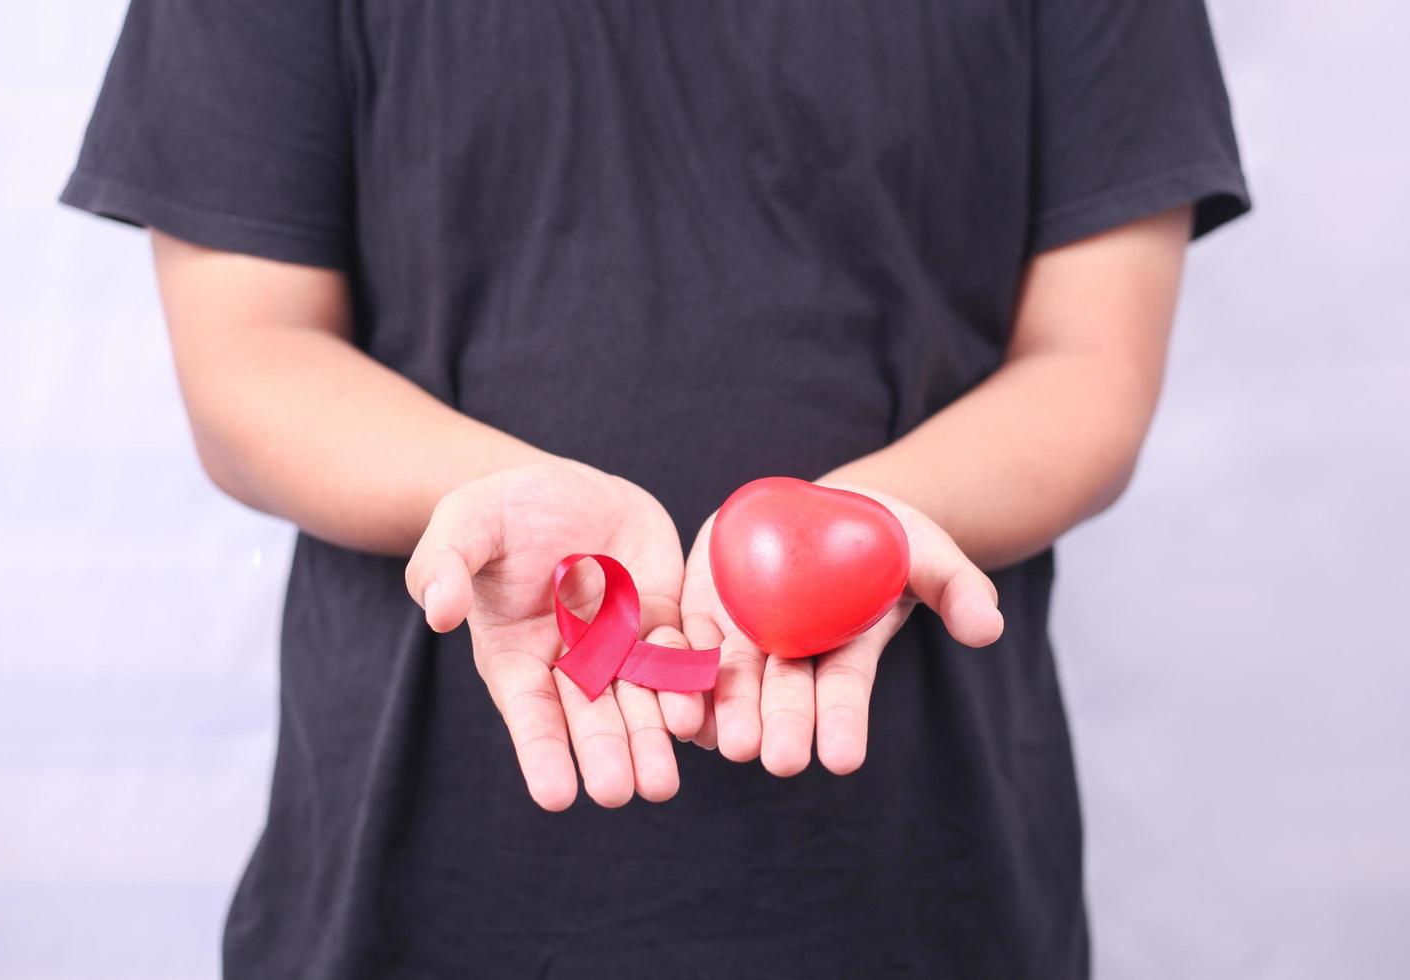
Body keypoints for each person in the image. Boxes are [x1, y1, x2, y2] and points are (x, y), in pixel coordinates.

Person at [62, 1, 1248, 976]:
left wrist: (864, 525)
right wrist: (491, 489)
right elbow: (246, 357)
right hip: (413, 890)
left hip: (928, 886)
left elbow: (1093, 365)